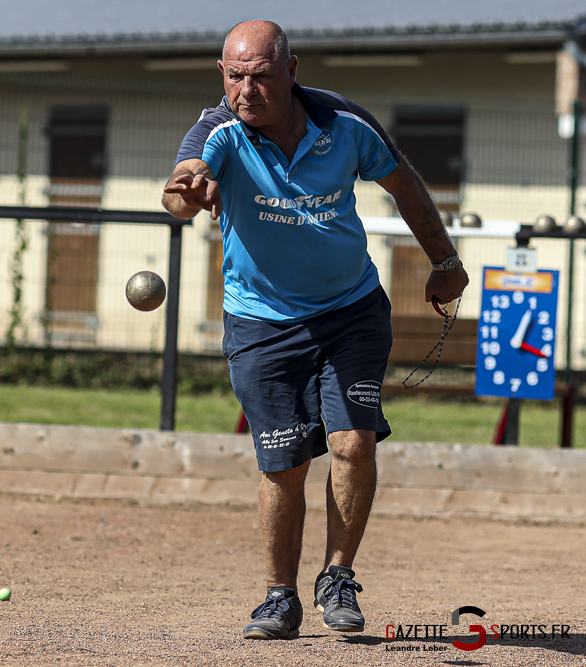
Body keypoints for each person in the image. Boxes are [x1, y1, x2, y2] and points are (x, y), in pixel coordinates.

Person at [162, 20, 468, 640]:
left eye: (261, 75)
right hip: (262, 323)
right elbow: (182, 184)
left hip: (350, 310)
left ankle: (339, 575)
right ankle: (279, 596)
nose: (246, 89)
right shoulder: (218, 130)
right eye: (235, 75)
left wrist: (444, 261)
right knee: (284, 464)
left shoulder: (345, 125)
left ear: (292, 70)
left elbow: (403, 182)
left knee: (353, 442)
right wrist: (190, 192)